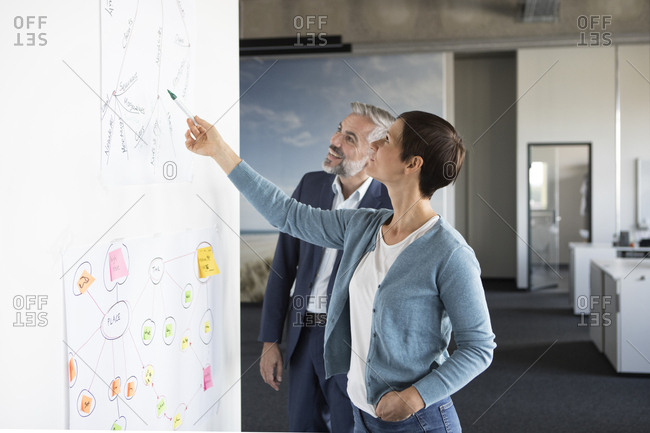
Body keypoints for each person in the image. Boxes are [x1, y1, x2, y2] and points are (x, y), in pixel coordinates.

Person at [185, 110, 496, 432]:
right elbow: (286, 215)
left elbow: (479, 347)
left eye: (387, 139)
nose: (375, 143)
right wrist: (219, 150)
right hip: (363, 414)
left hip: (417, 421)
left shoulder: (449, 252)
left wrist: (415, 397)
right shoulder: (364, 225)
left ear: (412, 164)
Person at [258, 102, 394, 432]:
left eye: (349, 138)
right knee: (303, 425)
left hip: (353, 342)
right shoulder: (310, 185)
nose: (334, 140)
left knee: (350, 426)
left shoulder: (390, 204)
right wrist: (269, 341)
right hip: (304, 332)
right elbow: (283, 266)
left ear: (373, 152)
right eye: (338, 128)